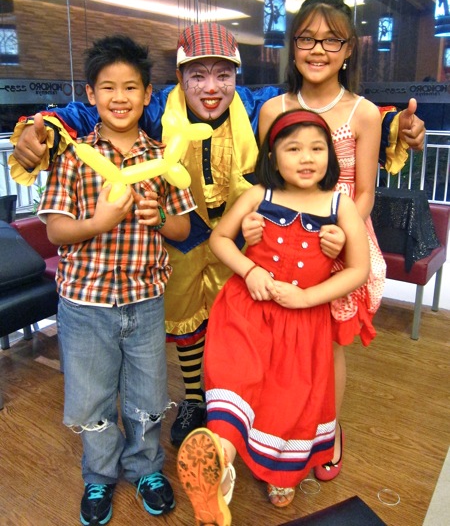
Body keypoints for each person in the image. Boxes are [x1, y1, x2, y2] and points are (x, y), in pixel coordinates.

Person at [9, 23, 424, 446]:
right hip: (181, 234)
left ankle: (238, 401)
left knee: (238, 327)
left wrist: (392, 124)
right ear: (180, 77)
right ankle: (195, 399)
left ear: (236, 77)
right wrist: (41, 130)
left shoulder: (255, 105)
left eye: (223, 75)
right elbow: (83, 113)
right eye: (198, 75)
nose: (211, 88)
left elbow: (315, 109)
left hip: (241, 237)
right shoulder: (157, 108)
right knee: (188, 323)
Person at [177, 109, 371, 526]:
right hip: (247, 310)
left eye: (317, 148)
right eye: (293, 148)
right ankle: (220, 462)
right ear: (272, 156)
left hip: (302, 321)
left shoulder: (340, 205)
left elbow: (359, 269)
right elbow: (219, 238)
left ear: (330, 155)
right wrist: (249, 270)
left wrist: (308, 298)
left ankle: (275, 470)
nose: (307, 158)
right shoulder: (258, 195)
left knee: (288, 397)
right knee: (235, 378)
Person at [37, 35, 197, 525]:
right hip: (85, 303)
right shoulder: (73, 156)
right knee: (93, 396)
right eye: (108, 87)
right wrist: (98, 222)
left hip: (145, 299)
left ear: (148, 94)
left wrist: (158, 218)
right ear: (91, 94)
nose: (120, 97)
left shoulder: (164, 157)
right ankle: (100, 475)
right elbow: (55, 230)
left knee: (147, 394)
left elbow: (183, 228)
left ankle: (146, 467)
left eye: (131, 87)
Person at [244, 0, 386, 483]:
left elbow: (364, 191)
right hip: (280, 240)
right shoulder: (273, 109)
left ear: (349, 50)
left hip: (336, 240)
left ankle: (328, 431)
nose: (318, 49)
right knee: (276, 341)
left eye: (331, 40)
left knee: (326, 346)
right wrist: (253, 224)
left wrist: (341, 234)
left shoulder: (364, 113)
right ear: (293, 46)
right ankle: (276, 428)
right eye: (307, 38)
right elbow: (266, 182)